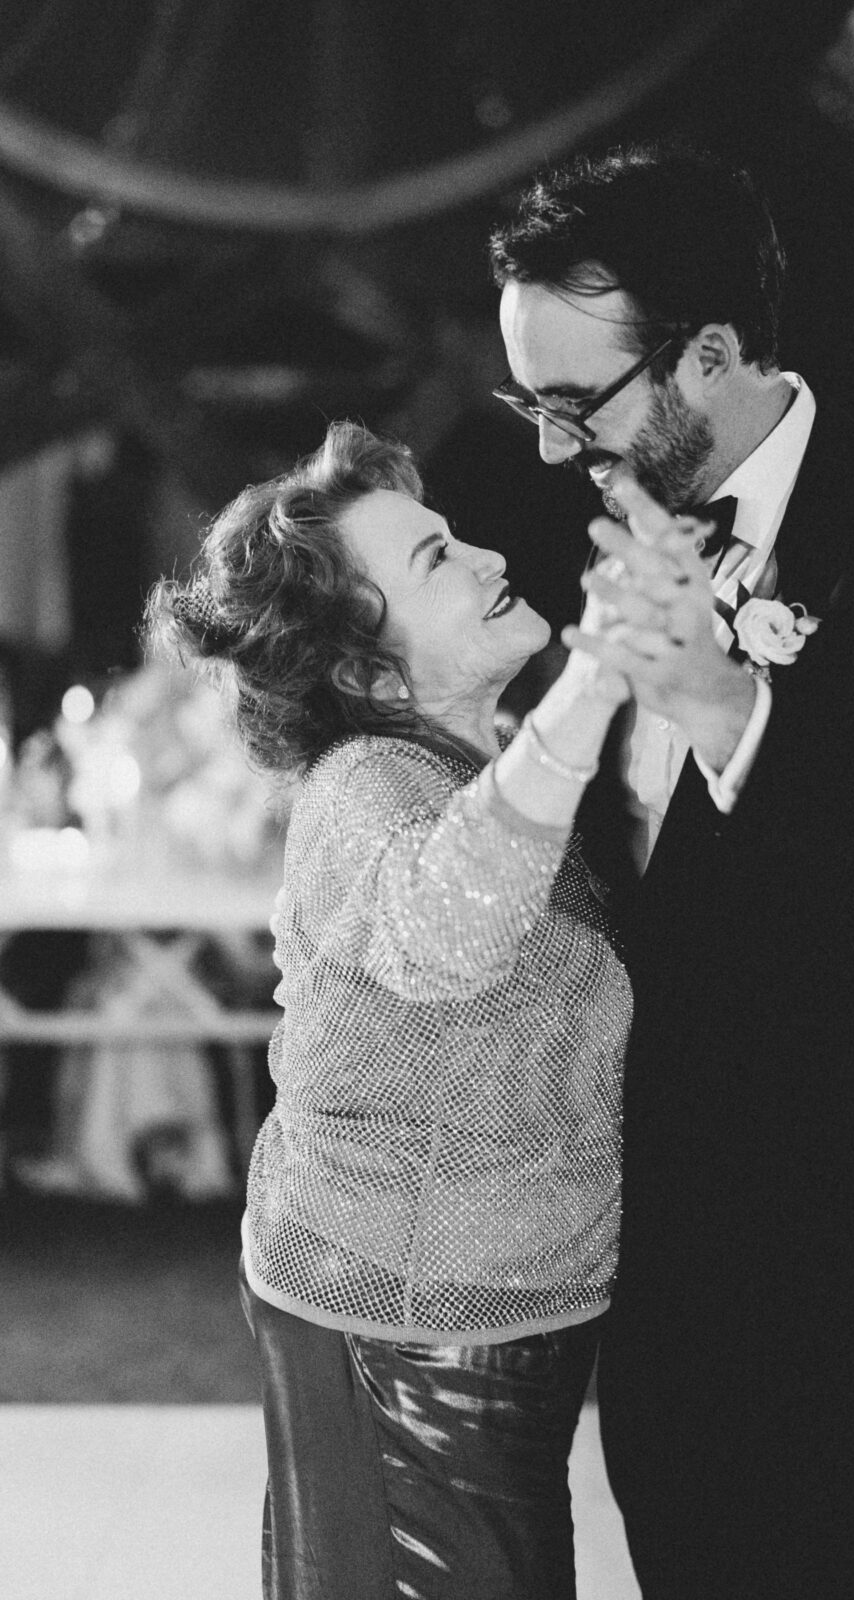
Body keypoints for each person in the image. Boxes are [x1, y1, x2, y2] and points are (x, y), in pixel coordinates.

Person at [488, 143, 854, 1599]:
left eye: (574, 406)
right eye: (529, 405)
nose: (551, 450)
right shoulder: (599, 538)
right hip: (675, 1262)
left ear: (712, 353)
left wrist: (724, 703)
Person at [146, 420, 632, 1600]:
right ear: (366, 674)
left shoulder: (486, 761)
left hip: (483, 1311)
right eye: (431, 561)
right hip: (399, 1323)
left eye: (449, 535)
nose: (477, 555)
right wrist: (599, 674)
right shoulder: (367, 784)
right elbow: (446, 930)